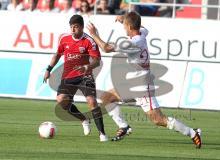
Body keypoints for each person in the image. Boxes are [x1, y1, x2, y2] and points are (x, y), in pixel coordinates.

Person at [87, 11, 202, 148]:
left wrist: (94, 34)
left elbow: (105, 48)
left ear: (129, 27)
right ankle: (124, 126)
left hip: (142, 88)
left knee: (158, 120)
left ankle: (192, 132)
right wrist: (124, 19)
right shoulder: (142, 33)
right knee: (107, 98)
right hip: (131, 86)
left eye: (125, 26)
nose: (124, 29)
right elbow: (140, 26)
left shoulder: (131, 44)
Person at [43, 14, 108, 142]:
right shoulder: (65, 39)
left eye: (76, 27)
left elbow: (97, 61)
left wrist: (87, 67)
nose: (73, 29)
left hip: (85, 76)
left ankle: (102, 133)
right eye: (71, 27)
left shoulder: (89, 41)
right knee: (61, 100)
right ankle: (83, 119)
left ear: (82, 27)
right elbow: (57, 55)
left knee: (92, 102)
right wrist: (48, 70)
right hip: (68, 75)